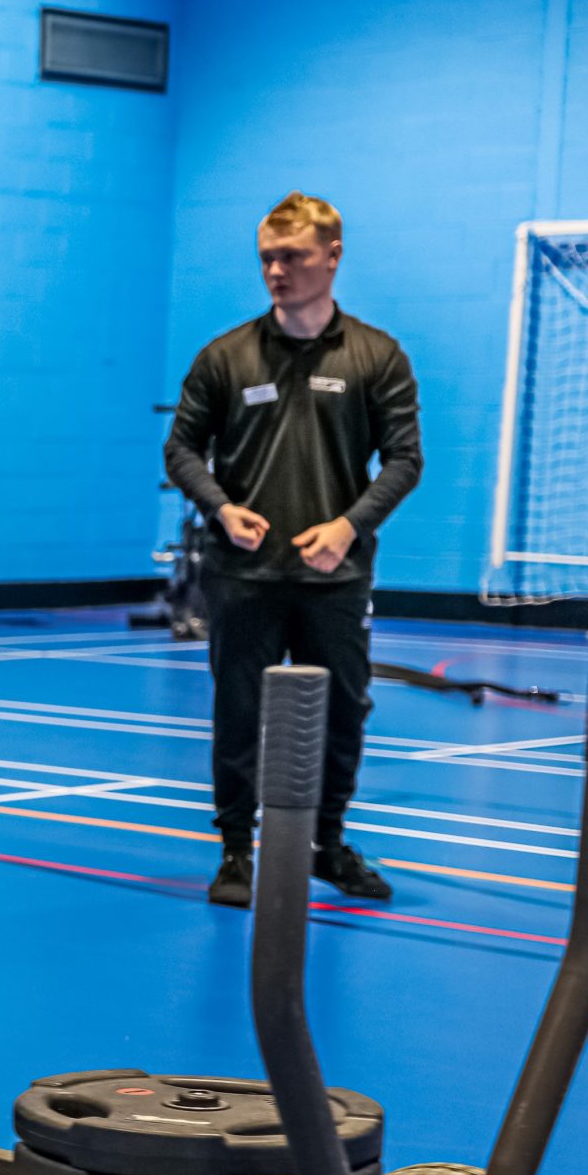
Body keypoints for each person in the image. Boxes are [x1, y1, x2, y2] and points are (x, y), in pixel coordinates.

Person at [165, 191, 423, 909]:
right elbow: (181, 449)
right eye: (267, 259)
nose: (277, 271)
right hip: (242, 575)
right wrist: (219, 507)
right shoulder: (226, 356)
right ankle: (236, 853)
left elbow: (405, 459)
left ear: (332, 257)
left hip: (335, 579)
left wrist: (349, 526)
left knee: (344, 709)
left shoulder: (377, 356)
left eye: (293, 257)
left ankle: (327, 844)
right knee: (238, 710)